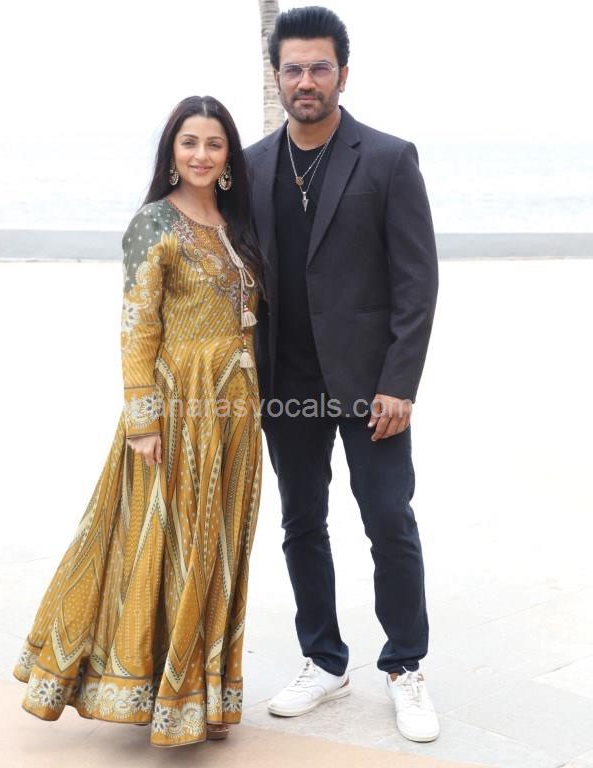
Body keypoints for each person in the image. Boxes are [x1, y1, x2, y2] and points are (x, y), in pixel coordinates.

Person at [13, 96, 262, 747]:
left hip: (236, 413)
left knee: (219, 549)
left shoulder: (236, 223)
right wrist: (142, 420)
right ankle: (160, 694)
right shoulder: (154, 223)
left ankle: (205, 694)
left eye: (214, 143)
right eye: (190, 142)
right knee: (165, 544)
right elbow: (137, 324)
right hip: (177, 410)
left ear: (229, 156)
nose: (202, 154)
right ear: (172, 152)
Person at [245, 7, 440, 743]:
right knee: (301, 523)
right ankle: (323, 660)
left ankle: (405, 665)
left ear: (343, 75)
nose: (306, 80)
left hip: (369, 387)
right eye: (293, 68)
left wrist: (400, 383)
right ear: (277, 76)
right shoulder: (251, 166)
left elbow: (416, 282)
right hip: (285, 384)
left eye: (319, 67)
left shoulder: (387, 159)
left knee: (389, 520)